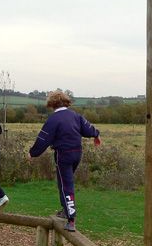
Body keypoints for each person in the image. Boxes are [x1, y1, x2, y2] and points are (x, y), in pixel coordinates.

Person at [28, 90, 100, 232]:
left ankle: (71, 219)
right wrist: (96, 135)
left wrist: (33, 153)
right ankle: (65, 211)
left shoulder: (53, 119)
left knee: (66, 185)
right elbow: (88, 129)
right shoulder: (75, 116)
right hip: (77, 153)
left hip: (63, 155)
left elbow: (43, 139)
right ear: (66, 101)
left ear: (51, 104)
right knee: (64, 182)